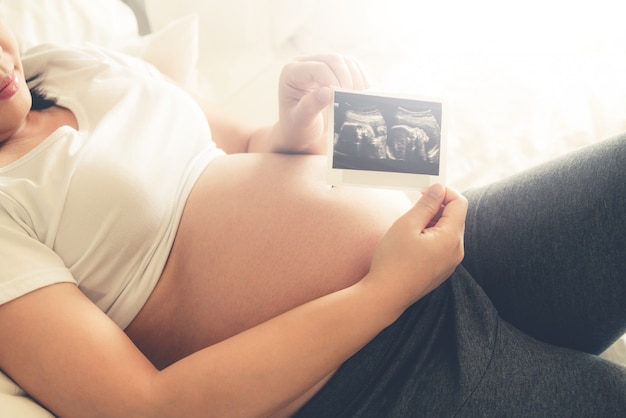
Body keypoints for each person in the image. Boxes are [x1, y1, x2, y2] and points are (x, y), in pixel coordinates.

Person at [0, 17, 624, 417]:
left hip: (449, 243)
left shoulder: (68, 62)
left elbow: (244, 147)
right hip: (377, 374)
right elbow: (143, 407)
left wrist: (296, 120)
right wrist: (386, 288)